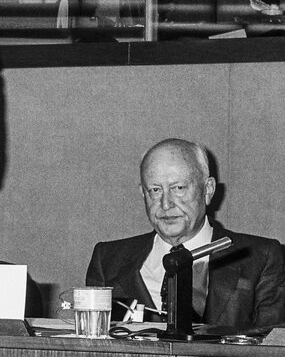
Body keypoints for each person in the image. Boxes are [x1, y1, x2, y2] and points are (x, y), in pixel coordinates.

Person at [86, 138, 285, 329]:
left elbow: (273, 346)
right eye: (155, 190)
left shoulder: (262, 258)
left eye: (178, 188)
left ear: (208, 190)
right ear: (143, 194)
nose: (165, 204)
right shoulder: (108, 260)